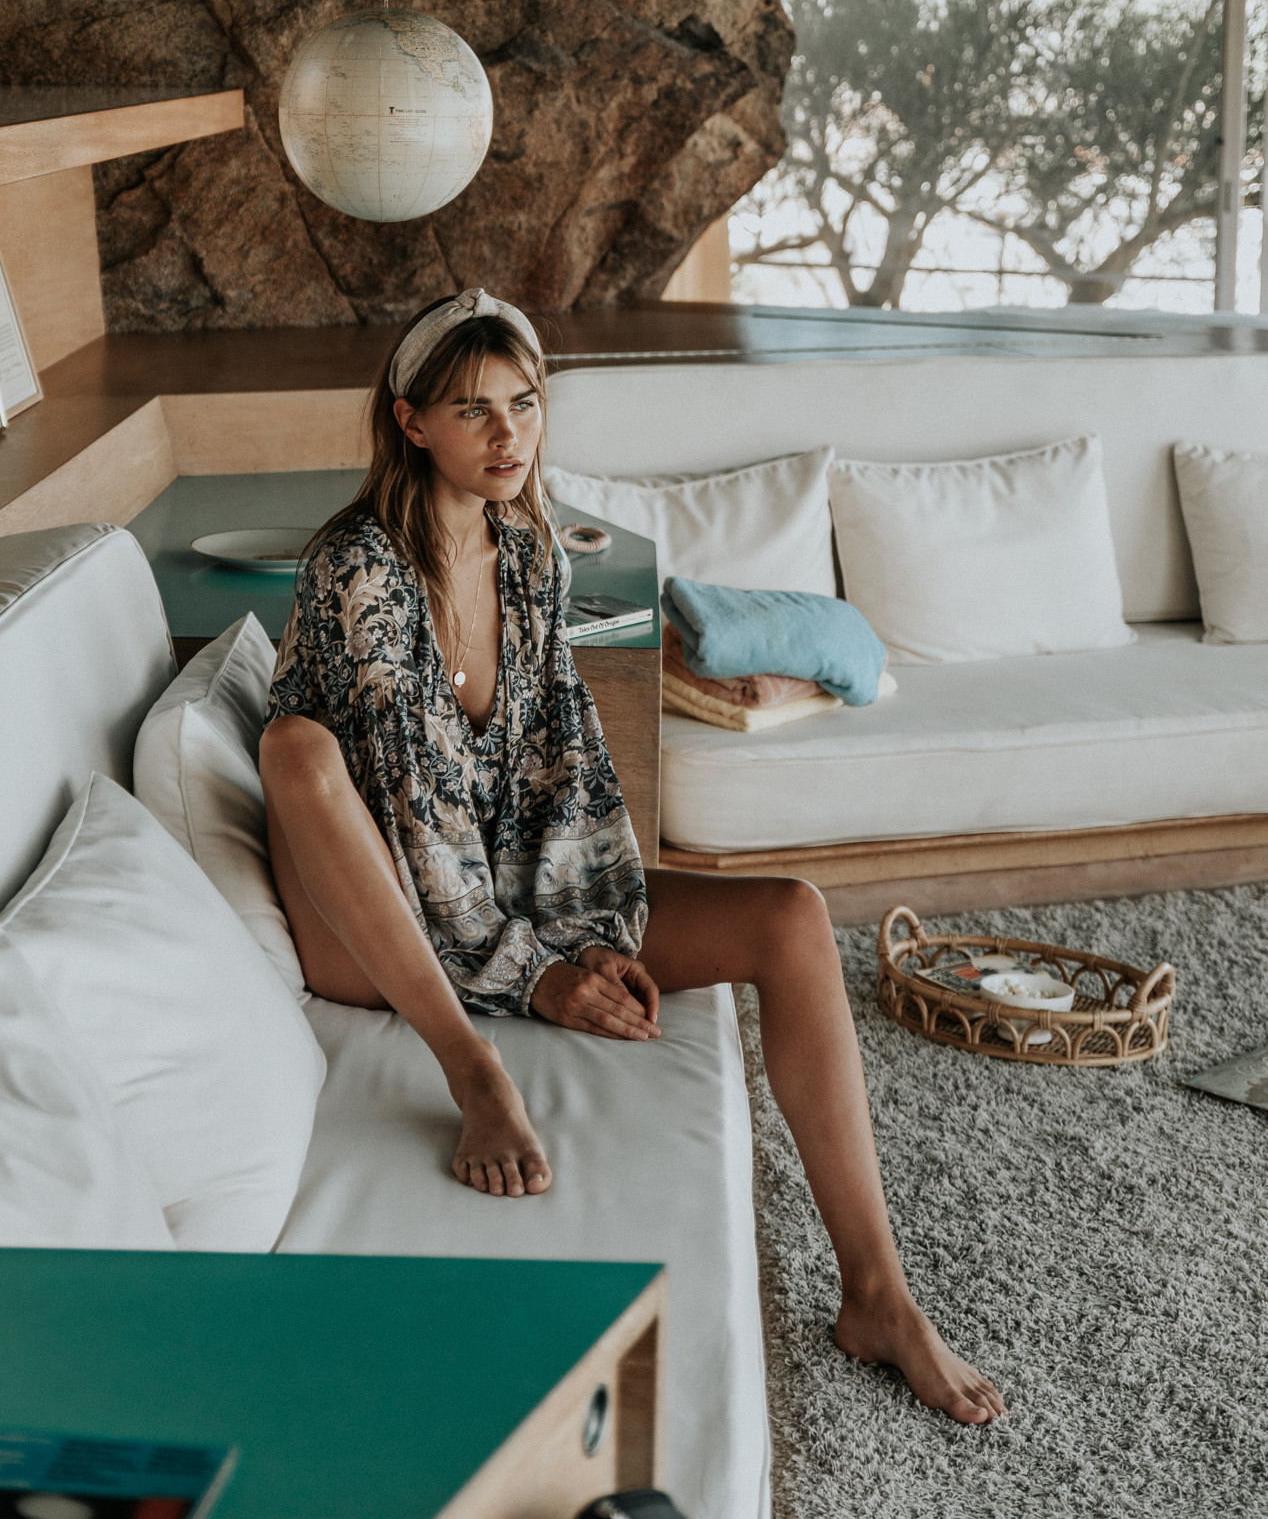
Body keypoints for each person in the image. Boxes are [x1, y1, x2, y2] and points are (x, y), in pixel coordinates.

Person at [259, 289, 1004, 1428]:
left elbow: (561, 765)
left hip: (494, 888)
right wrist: (537, 978)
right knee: (296, 749)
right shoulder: (359, 571)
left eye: (524, 404)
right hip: (374, 920)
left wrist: (592, 931)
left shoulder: (528, 548)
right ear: (410, 422)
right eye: (472, 411)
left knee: (792, 916)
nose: (509, 435)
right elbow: (419, 822)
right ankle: (474, 1070)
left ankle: (879, 1296)